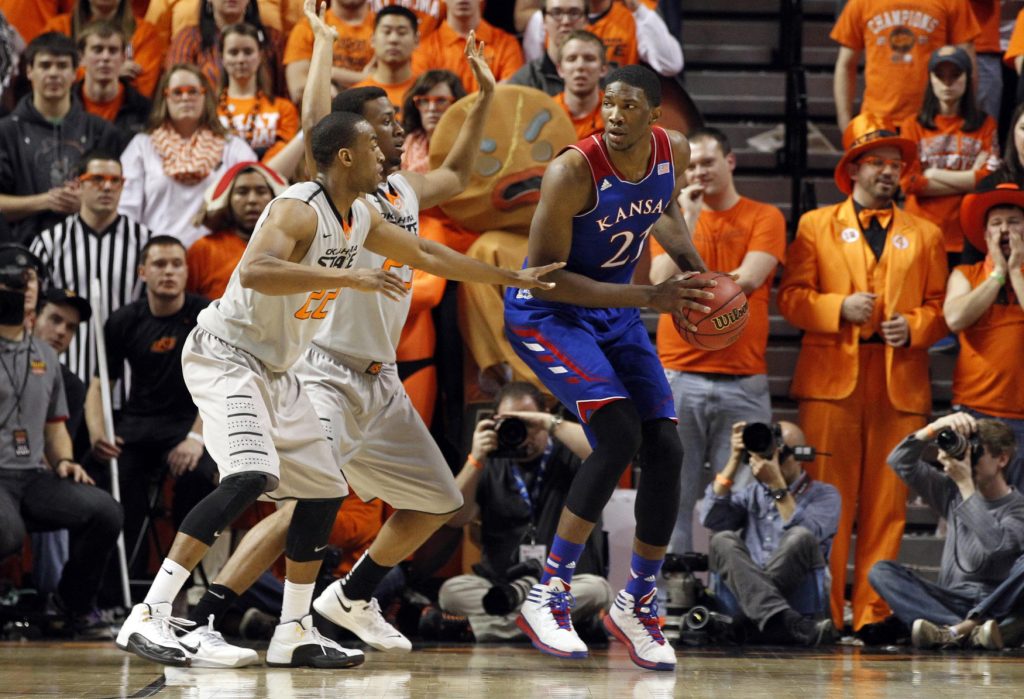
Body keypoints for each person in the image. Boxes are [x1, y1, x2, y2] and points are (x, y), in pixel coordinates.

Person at [114, 9, 559, 669]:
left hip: (338, 372)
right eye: (382, 125)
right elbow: (309, 134)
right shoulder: (301, 201)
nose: (396, 133)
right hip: (275, 361)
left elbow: (439, 244)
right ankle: (184, 613)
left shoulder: (385, 204)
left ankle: (320, 614)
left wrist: (513, 274)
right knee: (266, 484)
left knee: (348, 493)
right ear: (348, 148)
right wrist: (322, 46)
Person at [504, 64, 715, 671]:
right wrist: (652, 298)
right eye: (608, 104)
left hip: (614, 311)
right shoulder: (572, 170)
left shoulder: (671, 151)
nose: (615, 115)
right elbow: (544, 276)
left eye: (628, 107)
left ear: (655, 116)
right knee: (618, 434)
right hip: (547, 312)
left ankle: (638, 600)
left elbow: (664, 209)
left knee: (667, 448)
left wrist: (693, 270)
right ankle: (549, 592)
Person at [777, 129, 949, 632]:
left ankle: (874, 614)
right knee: (828, 503)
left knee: (888, 507)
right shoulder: (815, 226)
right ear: (852, 171)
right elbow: (791, 297)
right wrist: (838, 308)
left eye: (895, 163)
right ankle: (823, 611)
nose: (888, 171)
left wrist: (915, 326)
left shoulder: (927, 233)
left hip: (900, 383)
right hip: (832, 381)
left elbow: (940, 308)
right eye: (876, 162)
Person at [649, 127, 786, 556]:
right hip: (678, 374)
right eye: (689, 166)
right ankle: (670, 596)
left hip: (742, 379)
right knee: (673, 493)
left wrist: (688, 284)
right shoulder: (669, 216)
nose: (698, 172)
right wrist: (685, 221)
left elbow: (749, 279)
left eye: (707, 162)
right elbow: (657, 284)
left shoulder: (764, 216)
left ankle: (737, 599)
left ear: (730, 161)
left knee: (745, 494)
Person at [0, 244, 123, 640]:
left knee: (105, 511)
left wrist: (66, 461)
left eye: (32, 279)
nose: (26, 286)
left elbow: (54, 425)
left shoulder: (45, 356)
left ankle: (70, 607)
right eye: (18, 279)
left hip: (33, 475)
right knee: (8, 533)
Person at [84, 236, 218, 584]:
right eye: (159, 264)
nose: (169, 271)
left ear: (187, 271)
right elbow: (99, 386)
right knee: (112, 481)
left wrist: (195, 437)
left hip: (188, 425)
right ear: (143, 272)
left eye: (176, 263)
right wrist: (100, 434)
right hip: (137, 427)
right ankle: (118, 591)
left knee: (201, 478)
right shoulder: (123, 320)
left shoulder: (207, 317)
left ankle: (180, 584)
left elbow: (220, 384)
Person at [437, 382, 612, 643]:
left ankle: (488, 628)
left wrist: (549, 422)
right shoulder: (488, 461)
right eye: (510, 423)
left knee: (598, 590)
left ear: (543, 416)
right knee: (450, 592)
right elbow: (455, 518)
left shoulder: (569, 454)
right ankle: (546, 624)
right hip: (502, 587)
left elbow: (607, 454)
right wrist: (475, 459)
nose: (523, 433)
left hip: (563, 583)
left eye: (529, 424)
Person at [868, 412, 1024, 649]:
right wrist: (934, 428)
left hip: (995, 604)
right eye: (965, 453)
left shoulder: (1018, 507)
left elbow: (996, 549)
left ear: (1002, 459)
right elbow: (899, 461)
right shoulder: (950, 492)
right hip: (949, 600)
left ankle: (955, 630)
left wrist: (965, 486)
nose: (968, 462)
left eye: (976, 454)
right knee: (881, 571)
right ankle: (962, 632)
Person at [700, 421, 840, 645]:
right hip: (771, 601)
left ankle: (745, 624)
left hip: (797, 591)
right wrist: (734, 460)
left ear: (798, 457)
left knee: (800, 537)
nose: (769, 461)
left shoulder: (825, 494)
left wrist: (777, 485)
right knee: (721, 539)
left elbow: (810, 535)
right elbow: (711, 518)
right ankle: (784, 621)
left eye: (778, 455)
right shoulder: (752, 493)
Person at [29, 151, 151, 395]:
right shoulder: (49, 242)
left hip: (125, 380)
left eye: (115, 181)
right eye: (97, 179)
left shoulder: (144, 242)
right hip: (62, 372)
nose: (107, 187)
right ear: (78, 184)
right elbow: (33, 308)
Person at [0, 32, 123, 245]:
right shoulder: (6, 132)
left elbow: (126, 199)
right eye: (45, 65)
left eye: (62, 66)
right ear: (29, 71)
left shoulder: (102, 131)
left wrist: (87, 204)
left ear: (76, 72)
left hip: (92, 250)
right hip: (23, 251)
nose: (54, 74)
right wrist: (45, 201)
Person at [118, 64, 258, 248]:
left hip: (216, 256)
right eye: (177, 92)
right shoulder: (142, 145)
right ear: (165, 98)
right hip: (158, 256)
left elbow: (256, 190)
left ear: (204, 96)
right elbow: (126, 210)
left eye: (193, 91)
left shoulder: (232, 146)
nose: (185, 98)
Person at [943, 184, 1024, 489]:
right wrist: (998, 275)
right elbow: (955, 318)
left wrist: (1016, 271)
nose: (1005, 229)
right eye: (996, 223)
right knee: (969, 511)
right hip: (973, 411)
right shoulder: (966, 273)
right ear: (985, 233)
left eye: (1014, 222)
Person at [900, 45, 1000, 260]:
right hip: (920, 232)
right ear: (931, 80)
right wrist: (970, 177)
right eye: (940, 75)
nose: (948, 82)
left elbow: (988, 181)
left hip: (967, 234)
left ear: (967, 78)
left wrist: (934, 174)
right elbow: (909, 183)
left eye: (955, 75)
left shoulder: (986, 124)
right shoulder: (912, 125)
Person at [831, 0, 979, 140]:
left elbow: (967, 63)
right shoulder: (862, 2)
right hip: (876, 121)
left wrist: (967, 114)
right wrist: (845, 122)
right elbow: (845, 65)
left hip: (932, 120)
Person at [187, 161, 287, 300]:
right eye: (242, 192)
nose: (252, 200)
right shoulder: (204, 249)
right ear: (228, 200)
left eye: (261, 191)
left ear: (274, 198)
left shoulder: (292, 246)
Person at [519, 0, 683, 77]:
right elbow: (535, 72)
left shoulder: (634, 15)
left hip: (616, 106)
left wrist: (639, 9)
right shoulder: (550, 16)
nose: (566, 21)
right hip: (561, 104)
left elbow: (671, 64)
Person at [43, 0, 166, 97]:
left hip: (125, 119)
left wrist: (80, 71)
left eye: (112, 51)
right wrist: (111, 73)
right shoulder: (57, 29)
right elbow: (47, 79)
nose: (105, 58)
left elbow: (142, 89)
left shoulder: (146, 33)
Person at [216, 22, 299, 163]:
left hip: (271, 178)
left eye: (248, 52)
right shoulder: (209, 110)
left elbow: (286, 156)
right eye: (233, 52)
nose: (241, 59)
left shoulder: (284, 108)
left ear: (260, 55)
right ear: (222, 58)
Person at [167, 0, 284, 99]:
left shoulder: (272, 39)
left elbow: (284, 92)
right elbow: (175, 91)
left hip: (266, 120)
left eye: (248, 52)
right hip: (203, 121)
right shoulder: (188, 39)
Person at [412, 0, 524, 93]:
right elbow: (423, 95)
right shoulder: (424, 48)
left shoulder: (506, 43)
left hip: (491, 117)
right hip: (445, 118)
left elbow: (512, 89)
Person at [73, 21, 152, 147]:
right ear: (81, 58)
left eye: (113, 51)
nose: (105, 57)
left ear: (123, 58)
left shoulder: (145, 110)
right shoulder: (65, 106)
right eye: (97, 50)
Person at [284, 0, 375, 103]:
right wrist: (362, 78)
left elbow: (390, 83)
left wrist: (328, 72)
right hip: (326, 112)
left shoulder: (387, 28)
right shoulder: (308, 27)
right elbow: (298, 89)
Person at [351, 5, 420, 121]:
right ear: (372, 39)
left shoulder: (425, 92)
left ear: (416, 40)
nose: (393, 39)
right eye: (386, 32)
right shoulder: (355, 96)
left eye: (402, 33)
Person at [507, 0, 587, 97]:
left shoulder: (607, 79)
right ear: (544, 20)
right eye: (556, 13)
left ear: (586, 20)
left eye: (574, 13)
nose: (566, 21)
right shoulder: (524, 81)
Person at [553, 30, 607, 141]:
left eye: (589, 59)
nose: (580, 66)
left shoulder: (617, 115)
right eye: (571, 59)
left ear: (603, 69)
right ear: (560, 69)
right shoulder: (546, 113)